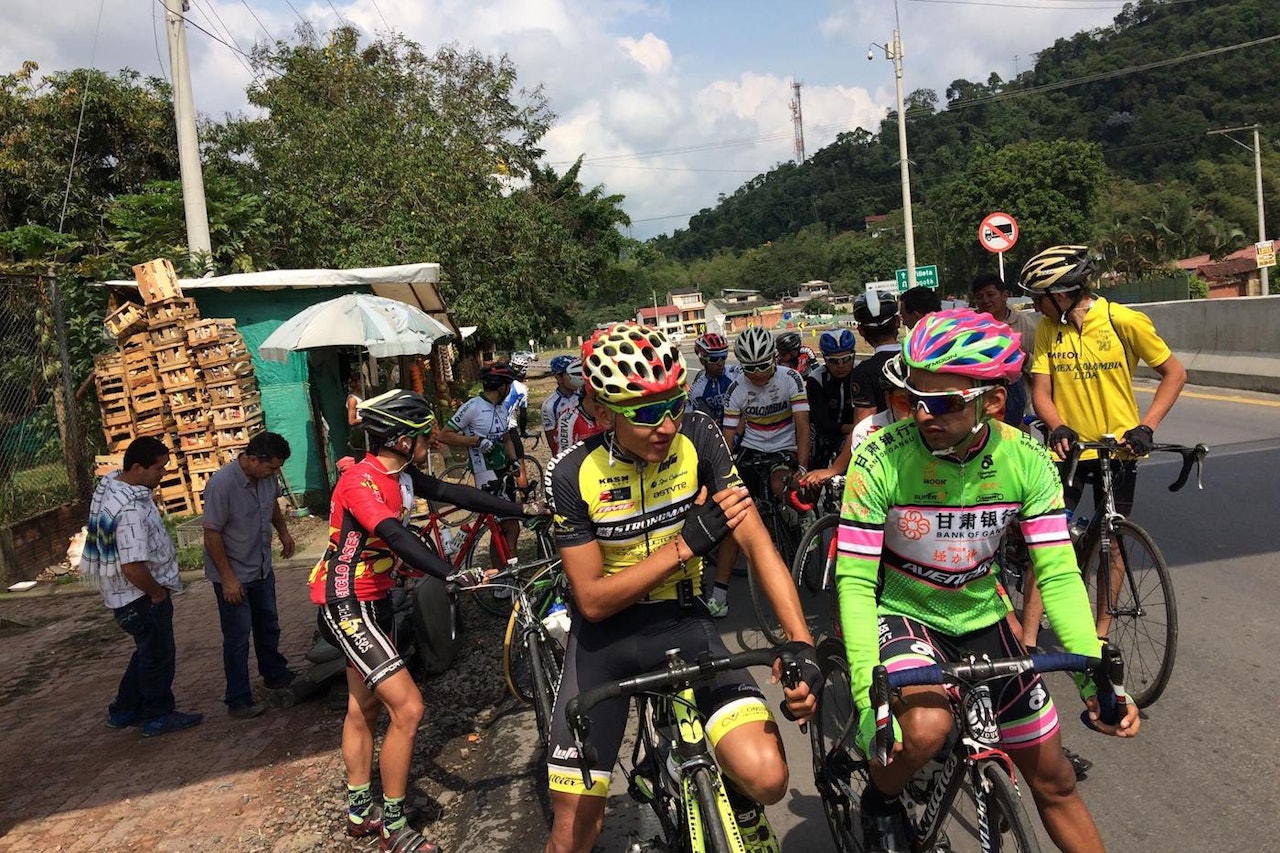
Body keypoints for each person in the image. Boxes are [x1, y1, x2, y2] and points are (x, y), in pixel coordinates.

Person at [834, 309, 1140, 853]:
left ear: (993, 402)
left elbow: (1058, 574)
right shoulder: (879, 457)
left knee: (1056, 781)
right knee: (924, 729)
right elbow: (855, 583)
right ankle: (880, 799)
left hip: (983, 614)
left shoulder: (1027, 458)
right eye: (914, 397)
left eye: (943, 402)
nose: (922, 413)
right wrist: (866, 698)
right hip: (906, 610)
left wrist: (1093, 675)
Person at [543, 322, 819, 853]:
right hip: (605, 643)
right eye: (647, 413)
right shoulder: (571, 472)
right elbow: (593, 601)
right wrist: (686, 545)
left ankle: (735, 801)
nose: (667, 426)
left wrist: (800, 641)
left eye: (673, 405)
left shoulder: (699, 435)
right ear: (603, 413)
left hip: (684, 621)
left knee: (767, 778)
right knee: (573, 832)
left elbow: (757, 543)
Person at [310, 389, 541, 851]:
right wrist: (451, 572)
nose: (431, 441)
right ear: (401, 440)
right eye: (423, 435)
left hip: (376, 599)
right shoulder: (360, 481)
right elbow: (395, 536)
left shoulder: (402, 475)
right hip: (346, 601)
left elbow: (455, 493)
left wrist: (524, 509)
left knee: (364, 707)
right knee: (409, 708)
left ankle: (360, 813)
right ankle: (393, 828)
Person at [1018, 245, 1187, 650]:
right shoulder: (1049, 329)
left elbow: (1174, 373)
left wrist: (1146, 426)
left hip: (1119, 451)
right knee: (1047, 543)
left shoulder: (1122, 320)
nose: (1035, 306)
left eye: (1038, 297)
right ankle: (1027, 641)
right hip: (1070, 452)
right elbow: (1041, 392)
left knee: (1113, 540)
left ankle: (1099, 635)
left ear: (1061, 294)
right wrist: (1057, 426)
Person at [82, 436, 204, 738]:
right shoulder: (130, 512)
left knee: (147, 652)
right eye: (159, 469)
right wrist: (156, 593)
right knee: (158, 656)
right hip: (140, 597)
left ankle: (124, 709)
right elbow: (132, 566)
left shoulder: (113, 487)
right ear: (137, 468)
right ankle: (158, 714)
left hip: (127, 596)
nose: (163, 474)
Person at [711, 328, 811, 617]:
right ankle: (719, 596)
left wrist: (802, 468)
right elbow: (728, 437)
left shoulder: (790, 378)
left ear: (774, 358)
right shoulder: (736, 389)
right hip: (753, 449)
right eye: (750, 368)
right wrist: (723, 471)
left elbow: (803, 426)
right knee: (735, 518)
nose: (756, 374)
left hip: (784, 446)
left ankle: (801, 517)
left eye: (763, 366)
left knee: (780, 484)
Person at [201, 431, 297, 719]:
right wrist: (228, 578)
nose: (274, 473)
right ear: (253, 459)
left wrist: (283, 533)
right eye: (271, 467)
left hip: (261, 567)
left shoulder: (267, 478)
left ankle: (275, 674)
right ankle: (238, 698)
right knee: (237, 637)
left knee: (268, 625)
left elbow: (272, 506)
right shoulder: (221, 484)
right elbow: (212, 534)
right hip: (234, 573)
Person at [438, 361, 528, 554]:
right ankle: (507, 567)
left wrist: (514, 460)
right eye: (509, 385)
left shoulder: (502, 408)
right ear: (502, 386)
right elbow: (444, 435)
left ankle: (506, 566)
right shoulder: (472, 407)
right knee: (507, 525)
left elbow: (506, 439)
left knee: (506, 528)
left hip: (503, 471)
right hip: (485, 473)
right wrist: (475, 441)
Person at [800, 354, 911, 490]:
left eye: (927, 401)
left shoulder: (934, 425)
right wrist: (835, 471)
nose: (916, 410)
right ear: (888, 399)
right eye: (903, 402)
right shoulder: (867, 430)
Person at [971, 271, 1039, 426]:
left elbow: (1043, 370)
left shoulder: (1024, 324)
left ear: (1005, 295)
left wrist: (1024, 357)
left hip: (1018, 412)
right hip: (980, 413)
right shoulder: (969, 326)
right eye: (979, 297)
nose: (985, 300)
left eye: (990, 294)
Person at [805, 328, 860, 470]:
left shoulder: (862, 374)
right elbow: (820, 421)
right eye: (834, 361)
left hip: (853, 433)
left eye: (846, 359)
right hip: (823, 432)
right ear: (824, 359)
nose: (841, 365)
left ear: (854, 355)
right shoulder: (816, 379)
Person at [849, 292, 903, 424]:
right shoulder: (918, 357)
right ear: (897, 322)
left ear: (861, 331)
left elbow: (863, 424)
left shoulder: (863, 372)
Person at [688, 331, 741, 426]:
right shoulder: (697, 391)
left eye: (723, 357)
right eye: (714, 359)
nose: (720, 363)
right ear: (702, 361)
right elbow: (691, 423)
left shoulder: (736, 373)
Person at [541, 355, 583, 457]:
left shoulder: (584, 395)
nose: (578, 377)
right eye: (572, 374)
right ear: (559, 377)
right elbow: (552, 441)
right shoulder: (549, 405)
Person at [346, 373, 367, 454]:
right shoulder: (353, 399)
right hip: (358, 431)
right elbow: (351, 421)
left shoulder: (362, 396)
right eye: (361, 382)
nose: (364, 384)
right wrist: (364, 419)